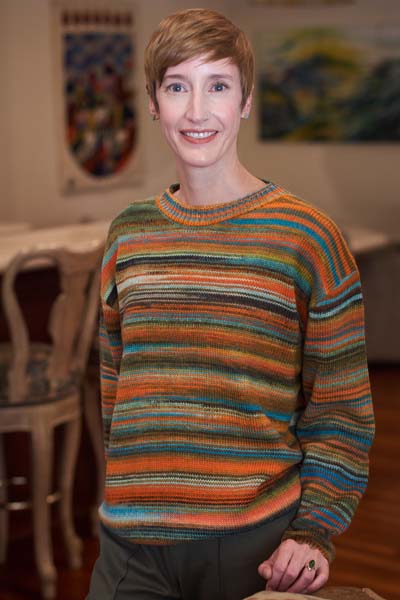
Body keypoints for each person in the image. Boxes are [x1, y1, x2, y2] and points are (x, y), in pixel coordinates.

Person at [87, 8, 375, 600]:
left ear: (246, 101)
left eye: (217, 86)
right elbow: (114, 385)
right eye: (177, 87)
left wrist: (314, 531)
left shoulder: (308, 238)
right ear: (153, 102)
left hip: (253, 544)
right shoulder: (127, 234)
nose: (197, 111)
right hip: (129, 543)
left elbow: (342, 411)